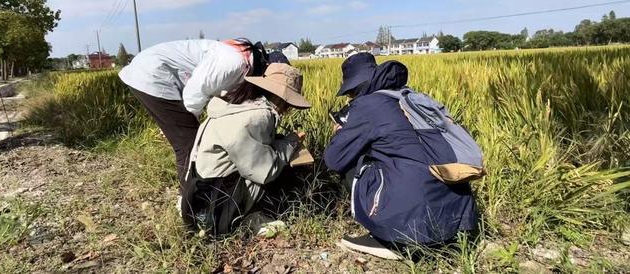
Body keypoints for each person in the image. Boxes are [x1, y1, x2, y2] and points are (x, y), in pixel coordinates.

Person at [324, 60, 478, 259]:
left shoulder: (368, 104)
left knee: (350, 160)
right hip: (459, 219)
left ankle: (387, 237)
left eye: (351, 92)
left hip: (410, 226)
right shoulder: (409, 97)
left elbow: (333, 160)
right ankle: (442, 238)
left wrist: (339, 134)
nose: (350, 99)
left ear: (360, 87)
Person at [119, 38, 269, 190]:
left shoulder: (240, 57)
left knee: (189, 137)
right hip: (152, 73)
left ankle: (197, 191)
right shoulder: (233, 64)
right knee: (189, 142)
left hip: (150, 69)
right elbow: (194, 92)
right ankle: (192, 202)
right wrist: (184, 122)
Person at [180, 63, 311, 236]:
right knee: (281, 170)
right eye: (288, 103)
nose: (288, 110)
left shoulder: (234, 104)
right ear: (281, 98)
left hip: (198, 194)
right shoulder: (257, 116)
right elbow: (265, 171)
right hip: (216, 207)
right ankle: (250, 217)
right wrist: (291, 142)